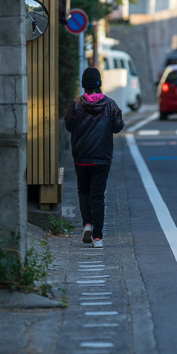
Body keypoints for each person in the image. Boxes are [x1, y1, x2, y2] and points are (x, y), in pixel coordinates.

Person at [64, 67, 125, 248]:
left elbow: (68, 125)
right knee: (98, 196)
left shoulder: (75, 104)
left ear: (84, 85)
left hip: (81, 157)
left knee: (83, 191)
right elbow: (118, 126)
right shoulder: (110, 105)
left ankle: (87, 225)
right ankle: (97, 238)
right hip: (102, 157)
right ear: (99, 84)